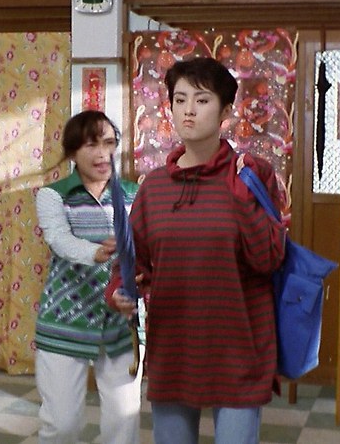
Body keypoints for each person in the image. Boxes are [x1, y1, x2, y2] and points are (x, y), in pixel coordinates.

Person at [106, 57, 287, 444]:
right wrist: (120, 290)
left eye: (202, 100)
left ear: (225, 112)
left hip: (239, 349)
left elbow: (269, 258)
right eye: (179, 99)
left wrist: (242, 198)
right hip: (174, 348)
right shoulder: (154, 187)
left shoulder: (252, 175)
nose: (188, 110)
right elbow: (131, 262)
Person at [34, 110, 141, 444]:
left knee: (124, 423)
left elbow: (147, 248)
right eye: (91, 145)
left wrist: (134, 256)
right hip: (64, 319)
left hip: (121, 321)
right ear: (72, 152)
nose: (102, 153)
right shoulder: (53, 195)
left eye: (108, 143)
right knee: (62, 425)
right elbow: (59, 239)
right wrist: (98, 252)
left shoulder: (134, 194)